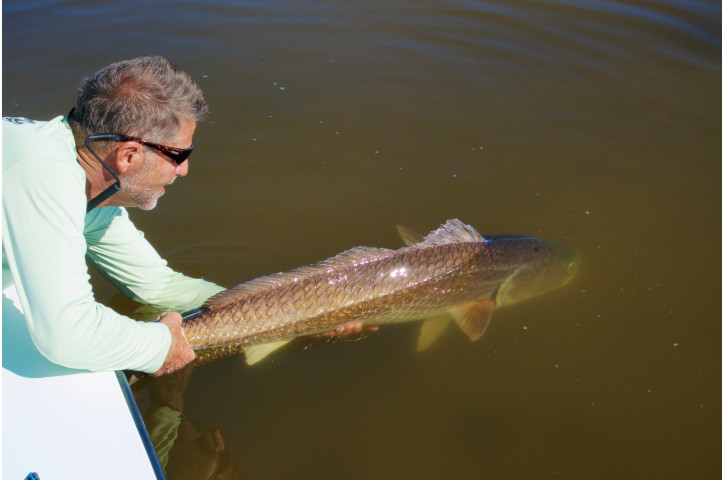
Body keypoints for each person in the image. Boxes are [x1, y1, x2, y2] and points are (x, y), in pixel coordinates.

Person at [3, 56, 367, 377]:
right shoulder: (43, 176)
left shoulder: (87, 179)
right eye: (178, 155)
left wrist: (288, 315)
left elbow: (158, 286)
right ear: (128, 155)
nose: (184, 170)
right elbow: (66, 337)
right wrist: (161, 346)